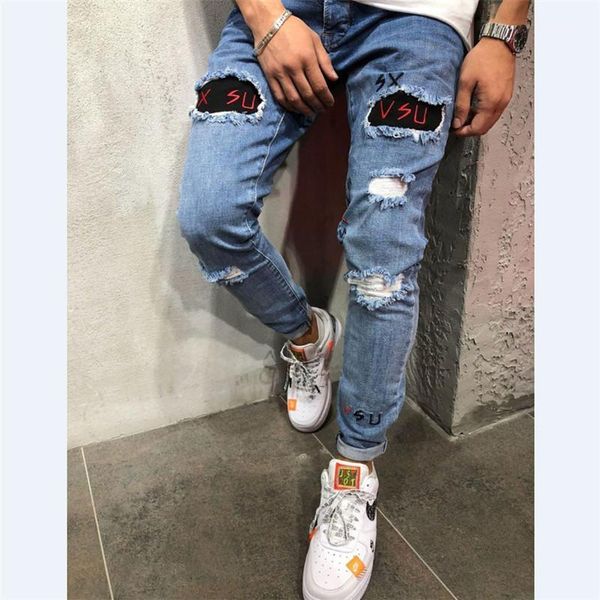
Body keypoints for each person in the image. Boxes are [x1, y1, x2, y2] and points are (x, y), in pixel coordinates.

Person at [176, 0, 530, 597]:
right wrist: (263, 17)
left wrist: (505, 31)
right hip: (280, 8)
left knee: (382, 260)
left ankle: (353, 471)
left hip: (416, 18)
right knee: (210, 217)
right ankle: (308, 334)